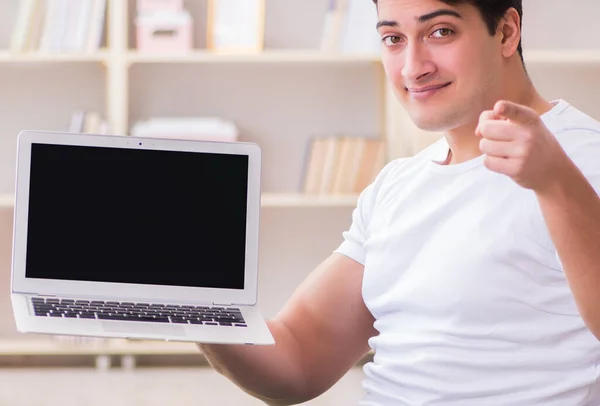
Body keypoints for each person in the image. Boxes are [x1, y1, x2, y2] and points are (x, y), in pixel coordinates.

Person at [198, 0, 600, 404]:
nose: (413, 67)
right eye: (393, 38)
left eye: (440, 32)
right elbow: (297, 360)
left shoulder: (584, 158)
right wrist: (193, 303)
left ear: (507, 32)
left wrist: (556, 183)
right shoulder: (397, 183)